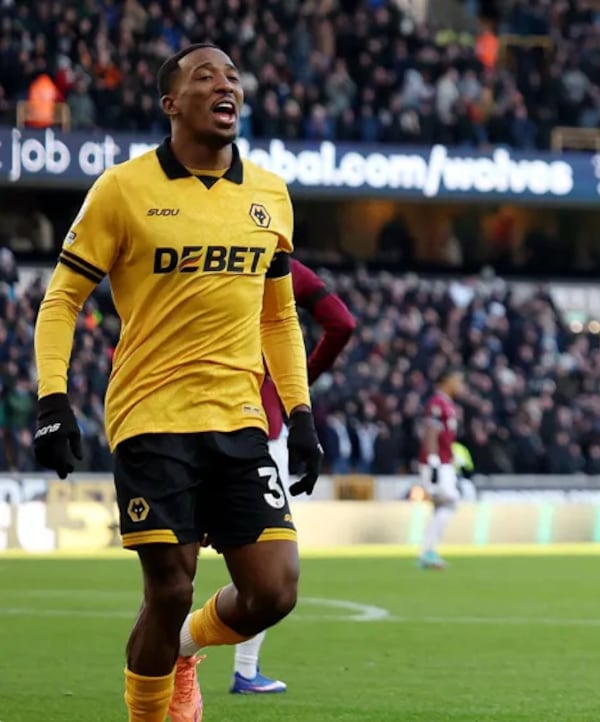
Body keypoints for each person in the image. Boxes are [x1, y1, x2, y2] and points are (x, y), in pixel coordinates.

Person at [32, 43, 323, 722]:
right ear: (172, 104)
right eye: (205, 77)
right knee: (168, 586)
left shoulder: (269, 195)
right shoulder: (123, 189)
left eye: (232, 77)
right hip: (150, 417)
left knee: (274, 592)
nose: (226, 86)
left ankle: (188, 649)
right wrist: (52, 398)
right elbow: (62, 298)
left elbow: (279, 317)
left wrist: (302, 414)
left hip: (239, 420)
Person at [231, 258, 355, 695]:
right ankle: (242, 668)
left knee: (172, 560)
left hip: (182, 417)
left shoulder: (199, 246)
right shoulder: (279, 263)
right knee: (266, 559)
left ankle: (160, 671)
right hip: (262, 429)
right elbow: (341, 323)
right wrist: (295, 388)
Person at [418, 368, 465, 569]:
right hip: (437, 464)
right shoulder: (437, 403)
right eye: (458, 380)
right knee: (449, 501)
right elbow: (431, 432)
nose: (461, 386)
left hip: (445, 462)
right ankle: (428, 551)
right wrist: (434, 460)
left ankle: (429, 552)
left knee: (442, 506)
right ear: (446, 381)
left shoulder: (447, 403)